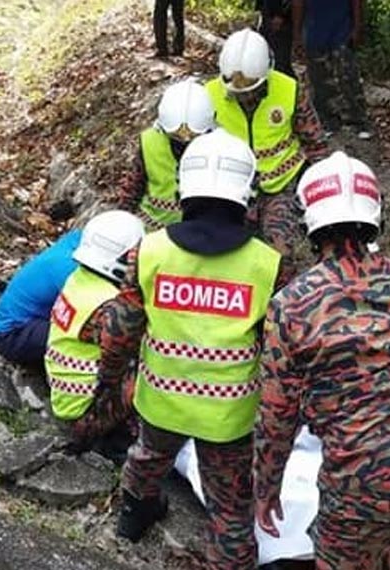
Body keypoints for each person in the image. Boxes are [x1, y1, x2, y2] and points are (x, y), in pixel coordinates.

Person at [254, 152, 390, 569]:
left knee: (339, 554)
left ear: (307, 223)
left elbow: (277, 415)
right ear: (376, 216)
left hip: (363, 472)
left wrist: (266, 488)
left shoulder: (292, 306)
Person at [99, 129, 282, 570]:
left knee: (147, 457)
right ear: (248, 194)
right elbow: (279, 350)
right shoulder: (267, 264)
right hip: (228, 416)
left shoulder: (149, 251)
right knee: (231, 501)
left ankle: (133, 516)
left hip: (161, 400)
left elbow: (120, 330)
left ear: (184, 189)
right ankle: (232, 559)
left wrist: (108, 383)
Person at [205, 28, 328, 280]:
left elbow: (315, 143)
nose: (245, 96)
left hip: (279, 187)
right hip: (230, 190)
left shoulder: (289, 91)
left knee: (278, 253)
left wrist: (324, 192)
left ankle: (282, 307)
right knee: (228, 252)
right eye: (238, 92)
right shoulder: (208, 97)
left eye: (251, 90)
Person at [44, 210, 145, 455]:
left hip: (64, 391)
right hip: (84, 408)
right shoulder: (108, 306)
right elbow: (134, 347)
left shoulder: (80, 279)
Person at [117, 79, 216, 231]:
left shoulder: (219, 146)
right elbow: (133, 187)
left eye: (192, 135)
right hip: (154, 233)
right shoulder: (150, 142)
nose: (184, 139)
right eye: (177, 135)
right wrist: (120, 222)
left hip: (200, 233)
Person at [0, 229, 82, 369]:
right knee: (86, 340)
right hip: (13, 334)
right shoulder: (68, 265)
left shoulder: (75, 241)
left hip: (25, 323)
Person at [292, 0, 373, 139]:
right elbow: (298, 4)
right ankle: (328, 121)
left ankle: (359, 121)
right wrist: (297, 36)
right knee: (319, 81)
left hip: (342, 32)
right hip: (314, 33)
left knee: (348, 77)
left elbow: (356, 2)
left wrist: (357, 27)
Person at [256, 0, 295, 77]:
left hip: (281, 19)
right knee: (266, 58)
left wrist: (281, 14)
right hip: (267, 15)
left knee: (280, 63)